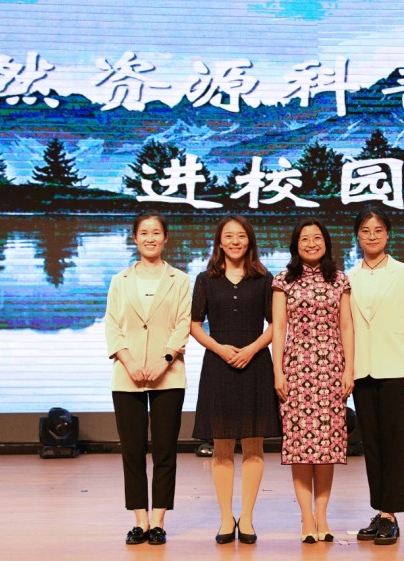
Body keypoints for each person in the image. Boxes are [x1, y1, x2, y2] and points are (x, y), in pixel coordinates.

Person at [104, 210, 192, 546]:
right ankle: (140, 520)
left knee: (165, 450)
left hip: (168, 375)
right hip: (126, 376)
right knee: (132, 450)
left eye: (156, 232)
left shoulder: (180, 280)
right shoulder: (120, 280)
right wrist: (127, 360)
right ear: (135, 238)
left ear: (165, 237)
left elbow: (183, 323)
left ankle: (158, 521)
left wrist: (164, 360)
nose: (150, 238)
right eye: (144, 233)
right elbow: (112, 325)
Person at [191, 214, 280, 545]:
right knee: (222, 445)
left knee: (254, 444)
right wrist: (219, 348)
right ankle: (226, 518)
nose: (235, 241)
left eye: (241, 235)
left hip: (256, 365)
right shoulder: (205, 279)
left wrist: (253, 348)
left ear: (250, 241)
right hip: (219, 366)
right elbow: (194, 324)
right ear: (219, 242)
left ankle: (248, 518)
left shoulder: (264, 279)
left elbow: (276, 324)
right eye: (228, 236)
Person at [271, 216, 354, 544]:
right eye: (304, 238)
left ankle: (323, 515)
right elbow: (279, 328)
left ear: (326, 243)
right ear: (296, 244)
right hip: (295, 371)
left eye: (317, 237)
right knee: (300, 448)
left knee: (326, 447)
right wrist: (278, 371)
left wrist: (348, 369)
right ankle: (306, 517)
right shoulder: (283, 280)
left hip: (331, 371)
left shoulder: (340, 280)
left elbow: (346, 326)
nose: (311, 243)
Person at [346, 207, 404, 546]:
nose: (372, 236)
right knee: (372, 445)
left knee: (393, 444)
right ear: (357, 236)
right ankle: (380, 511)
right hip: (362, 370)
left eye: (378, 230)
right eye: (366, 230)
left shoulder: (403, 273)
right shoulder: (348, 277)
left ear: (388, 234)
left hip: (395, 370)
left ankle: (390, 515)